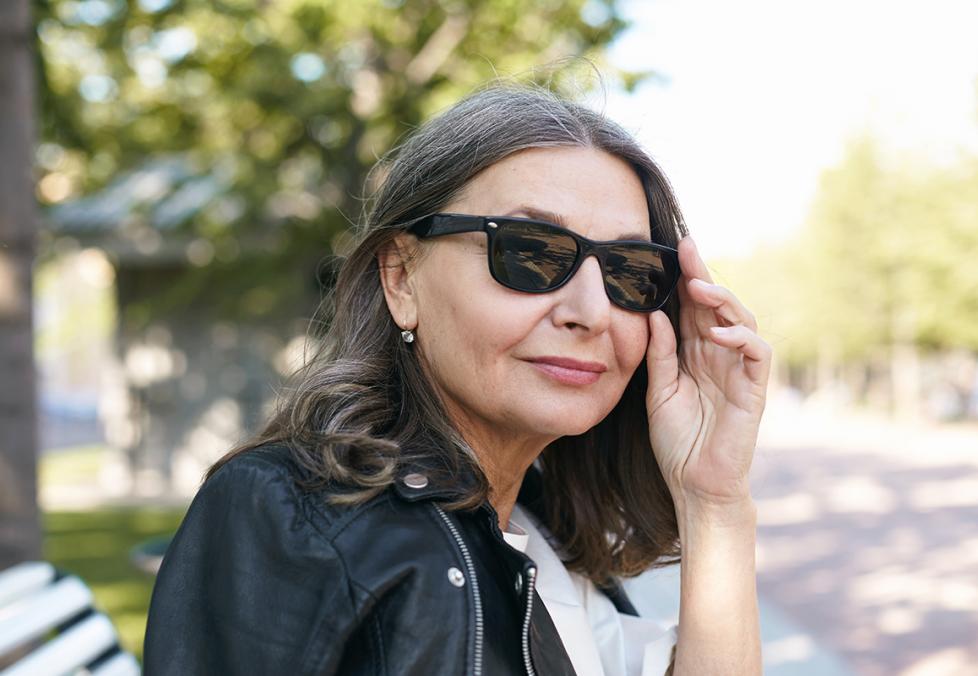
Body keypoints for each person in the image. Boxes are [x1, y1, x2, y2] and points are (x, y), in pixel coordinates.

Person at [143, 83, 771, 675]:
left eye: (630, 270)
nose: (591, 311)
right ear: (401, 278)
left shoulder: (539, 523)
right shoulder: (287, 512)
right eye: (529, 251)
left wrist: (713, 503)